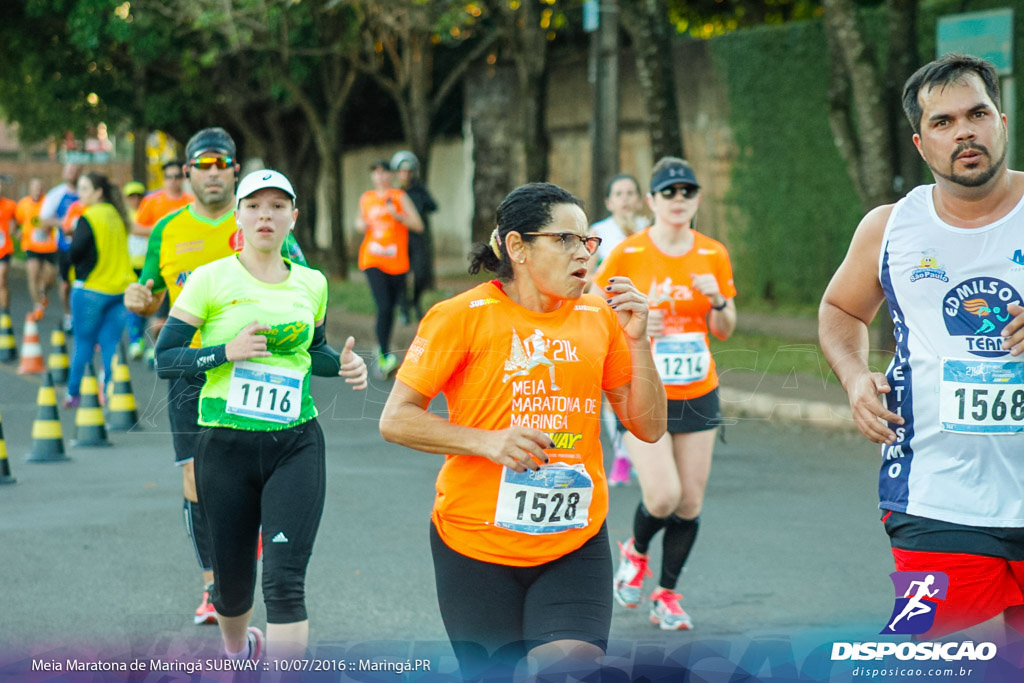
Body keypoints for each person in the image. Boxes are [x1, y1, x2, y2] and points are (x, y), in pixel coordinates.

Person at [379, 182, 666, 679]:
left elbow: (650, 427)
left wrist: (639, 343)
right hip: (475, 547)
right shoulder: (459, 318)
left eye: (587, 242)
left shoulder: (600, 317)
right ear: (517, 247)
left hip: (573, 541)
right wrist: (487, 441)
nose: (584, 253)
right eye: (565, 240)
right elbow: (396, 418)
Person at [819, 53, 1024, 639]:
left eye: (977, 113)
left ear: (1001, 123)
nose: (964, 131)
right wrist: (856, 377)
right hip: (936, 496)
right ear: (920, 142)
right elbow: (840, 309)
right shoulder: (890, 227)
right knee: (916, 652)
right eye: (943, 122)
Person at [155, 169, 367, 660]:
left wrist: (345, 364)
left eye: (276, 206)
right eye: (254, 206)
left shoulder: (312, 283)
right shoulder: (210, 279)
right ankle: (238, 652)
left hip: (295, 444)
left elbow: (312, 352)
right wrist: (223, 352)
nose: (265, 215)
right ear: (238, 216)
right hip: (223, 446)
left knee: (285, 583)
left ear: (293, 217)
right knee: (232, 589)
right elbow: (166, 359)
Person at [124, 127, 308, 628]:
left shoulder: (261, 219)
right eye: (201, 166)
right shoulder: (166, 229)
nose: (211, 174)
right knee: (197, 480)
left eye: (220, 164)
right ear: (187, 173)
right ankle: (215, 584)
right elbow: (148, 292)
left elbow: (303, 286)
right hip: (193, 372)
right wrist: (138, 299)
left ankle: (266, 581)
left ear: (234, 170)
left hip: (257, 370)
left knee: (264, 475)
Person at [594, 157, 737, 631]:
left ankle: (667, 594)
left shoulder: (712, 253)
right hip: (643, 388)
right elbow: (594, 311)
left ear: (696, 200)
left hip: (698, 389)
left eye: (687, 192)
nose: (679, 200)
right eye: (669, 193)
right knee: (663, 496)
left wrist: (717, 299)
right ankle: (635, 553)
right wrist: (632, 322)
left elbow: (726, 328)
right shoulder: (628, 254)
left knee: (690, 503)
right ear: (651, 201)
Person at [588, 173, 649, 487]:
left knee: (645, 385)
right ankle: (623, 454)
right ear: (610, 201)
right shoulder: (599, 232)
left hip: (648, 318)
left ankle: (646, 447)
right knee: (616, 388)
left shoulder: (650, 231)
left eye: (630, 193)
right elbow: (586, 276)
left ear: (639, 199)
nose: (625, 198)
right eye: (619, 193)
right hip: (613, 317)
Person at [64, 173, 134, 407]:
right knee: (111, 345)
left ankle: (74, 393)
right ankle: (112, 393)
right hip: (119, 291)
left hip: (91, 289)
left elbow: (75, 251)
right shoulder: (117, 215)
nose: (80, 194)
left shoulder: (89, 217)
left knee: (83, 343)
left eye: (84, 189)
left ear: (98, 192)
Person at [355, 159, 424, 379]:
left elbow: (419, 225)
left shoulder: (399, 197)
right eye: (376, 173)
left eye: (384, 173)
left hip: (397, 261)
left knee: (391, 307)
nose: (380, 177)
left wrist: (398, 216)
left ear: (391, 176)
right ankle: (384, 355)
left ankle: (382, 348)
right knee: (384, 305)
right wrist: (361, 225)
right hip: (372, 259)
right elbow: (359, 222)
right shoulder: (367, 198)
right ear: (373, 177)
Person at [129, 163, 194, 361]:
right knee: (153, 307)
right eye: (169, 177)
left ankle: (160, 348)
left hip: (184, 264)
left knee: (178, 310)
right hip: (157, 262)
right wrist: (164, 232)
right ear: (164, 179)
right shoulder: (152, 201)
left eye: (177, 176)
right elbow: (136, 228)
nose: (173, 181)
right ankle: (148, 344)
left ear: (184, 179)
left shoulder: (191, 201)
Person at [389, 150, 438, 323]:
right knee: (401, 276)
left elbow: (433, 206)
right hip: (398, 239)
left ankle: (415, 303)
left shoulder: (419, 189)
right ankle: (403, 309)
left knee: (420, 274)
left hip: (417, 239)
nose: (406, 175)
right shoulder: (392, 193)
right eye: (402, 171)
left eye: (409, 171)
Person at [38, 163, 83, 331]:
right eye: (69, 169)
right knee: (65, 285)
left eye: (75, 169)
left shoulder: (86, 193)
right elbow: (43, 221)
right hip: (64, 248)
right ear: (64, 172)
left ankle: (82, 317)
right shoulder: (56, 194)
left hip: (86, 249)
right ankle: (68, 315)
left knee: (84, 285)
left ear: (80, 172)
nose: (72, 173)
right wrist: (64, 223)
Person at [18, 177, 56, 321]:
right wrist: (17, 231)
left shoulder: (48, 203)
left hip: (49, 246)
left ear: (43, 189)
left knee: (49, 277)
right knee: (33, 274)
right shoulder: (23, 204)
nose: (37, 191)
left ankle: (43, 291)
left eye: (40, 188)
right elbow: (17, 219)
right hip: (31, 245)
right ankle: (37, 305)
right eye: (34, 188)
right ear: (30, 190)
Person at [0, 176, 17, 314]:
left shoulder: (10, 205)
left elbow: (17, 222)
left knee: (2, 279)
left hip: (4, 248)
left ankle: (5, 311)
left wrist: (15, 230)